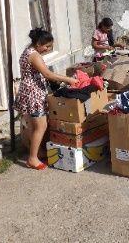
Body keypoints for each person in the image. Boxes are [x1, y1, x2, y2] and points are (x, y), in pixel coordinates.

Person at [14, 28, 78, 169]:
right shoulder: (34, 55)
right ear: (38, 44)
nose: (48, 49)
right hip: (34, 94)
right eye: (47, 46)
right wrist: (69, 80)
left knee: (33, 126)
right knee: (41, 126)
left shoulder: (27, 51)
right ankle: (32, 159)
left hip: (28, 91)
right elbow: (48, 74)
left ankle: (38, 152)